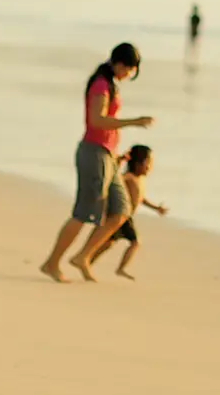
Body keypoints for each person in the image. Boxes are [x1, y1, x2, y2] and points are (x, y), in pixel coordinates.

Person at [40, 43, 154, 283]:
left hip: (109, 155)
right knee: (84, 212)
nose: (130, 74)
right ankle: (52, 262)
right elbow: (97, 120)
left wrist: (116, 155)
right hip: (94, 153)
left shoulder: (111, 85)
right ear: (121, 63)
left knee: (121, 211)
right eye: (131, 69)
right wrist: (134, 122)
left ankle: (83, 256)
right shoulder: (101, 84)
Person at [92, 145, 167, 280]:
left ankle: (90, 260)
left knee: (110, 242)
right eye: (147, 163)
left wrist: (156, 208)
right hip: (119, 215)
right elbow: (114, 180)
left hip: (126, 217)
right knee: (132, 242)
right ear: (137, 164)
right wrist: (119, 162)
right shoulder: (129, 177)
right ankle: (111, 266)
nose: (150, 167)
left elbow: (141, 199)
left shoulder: (140, 181)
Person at [186, 4, 202, 70]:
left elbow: (196, 25)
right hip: (193, 33)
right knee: (192, 47)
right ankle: (191, 60)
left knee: (194, 47)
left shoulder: (195, 17)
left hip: (194, 33)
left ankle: (194, 60)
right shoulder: (194, 17)